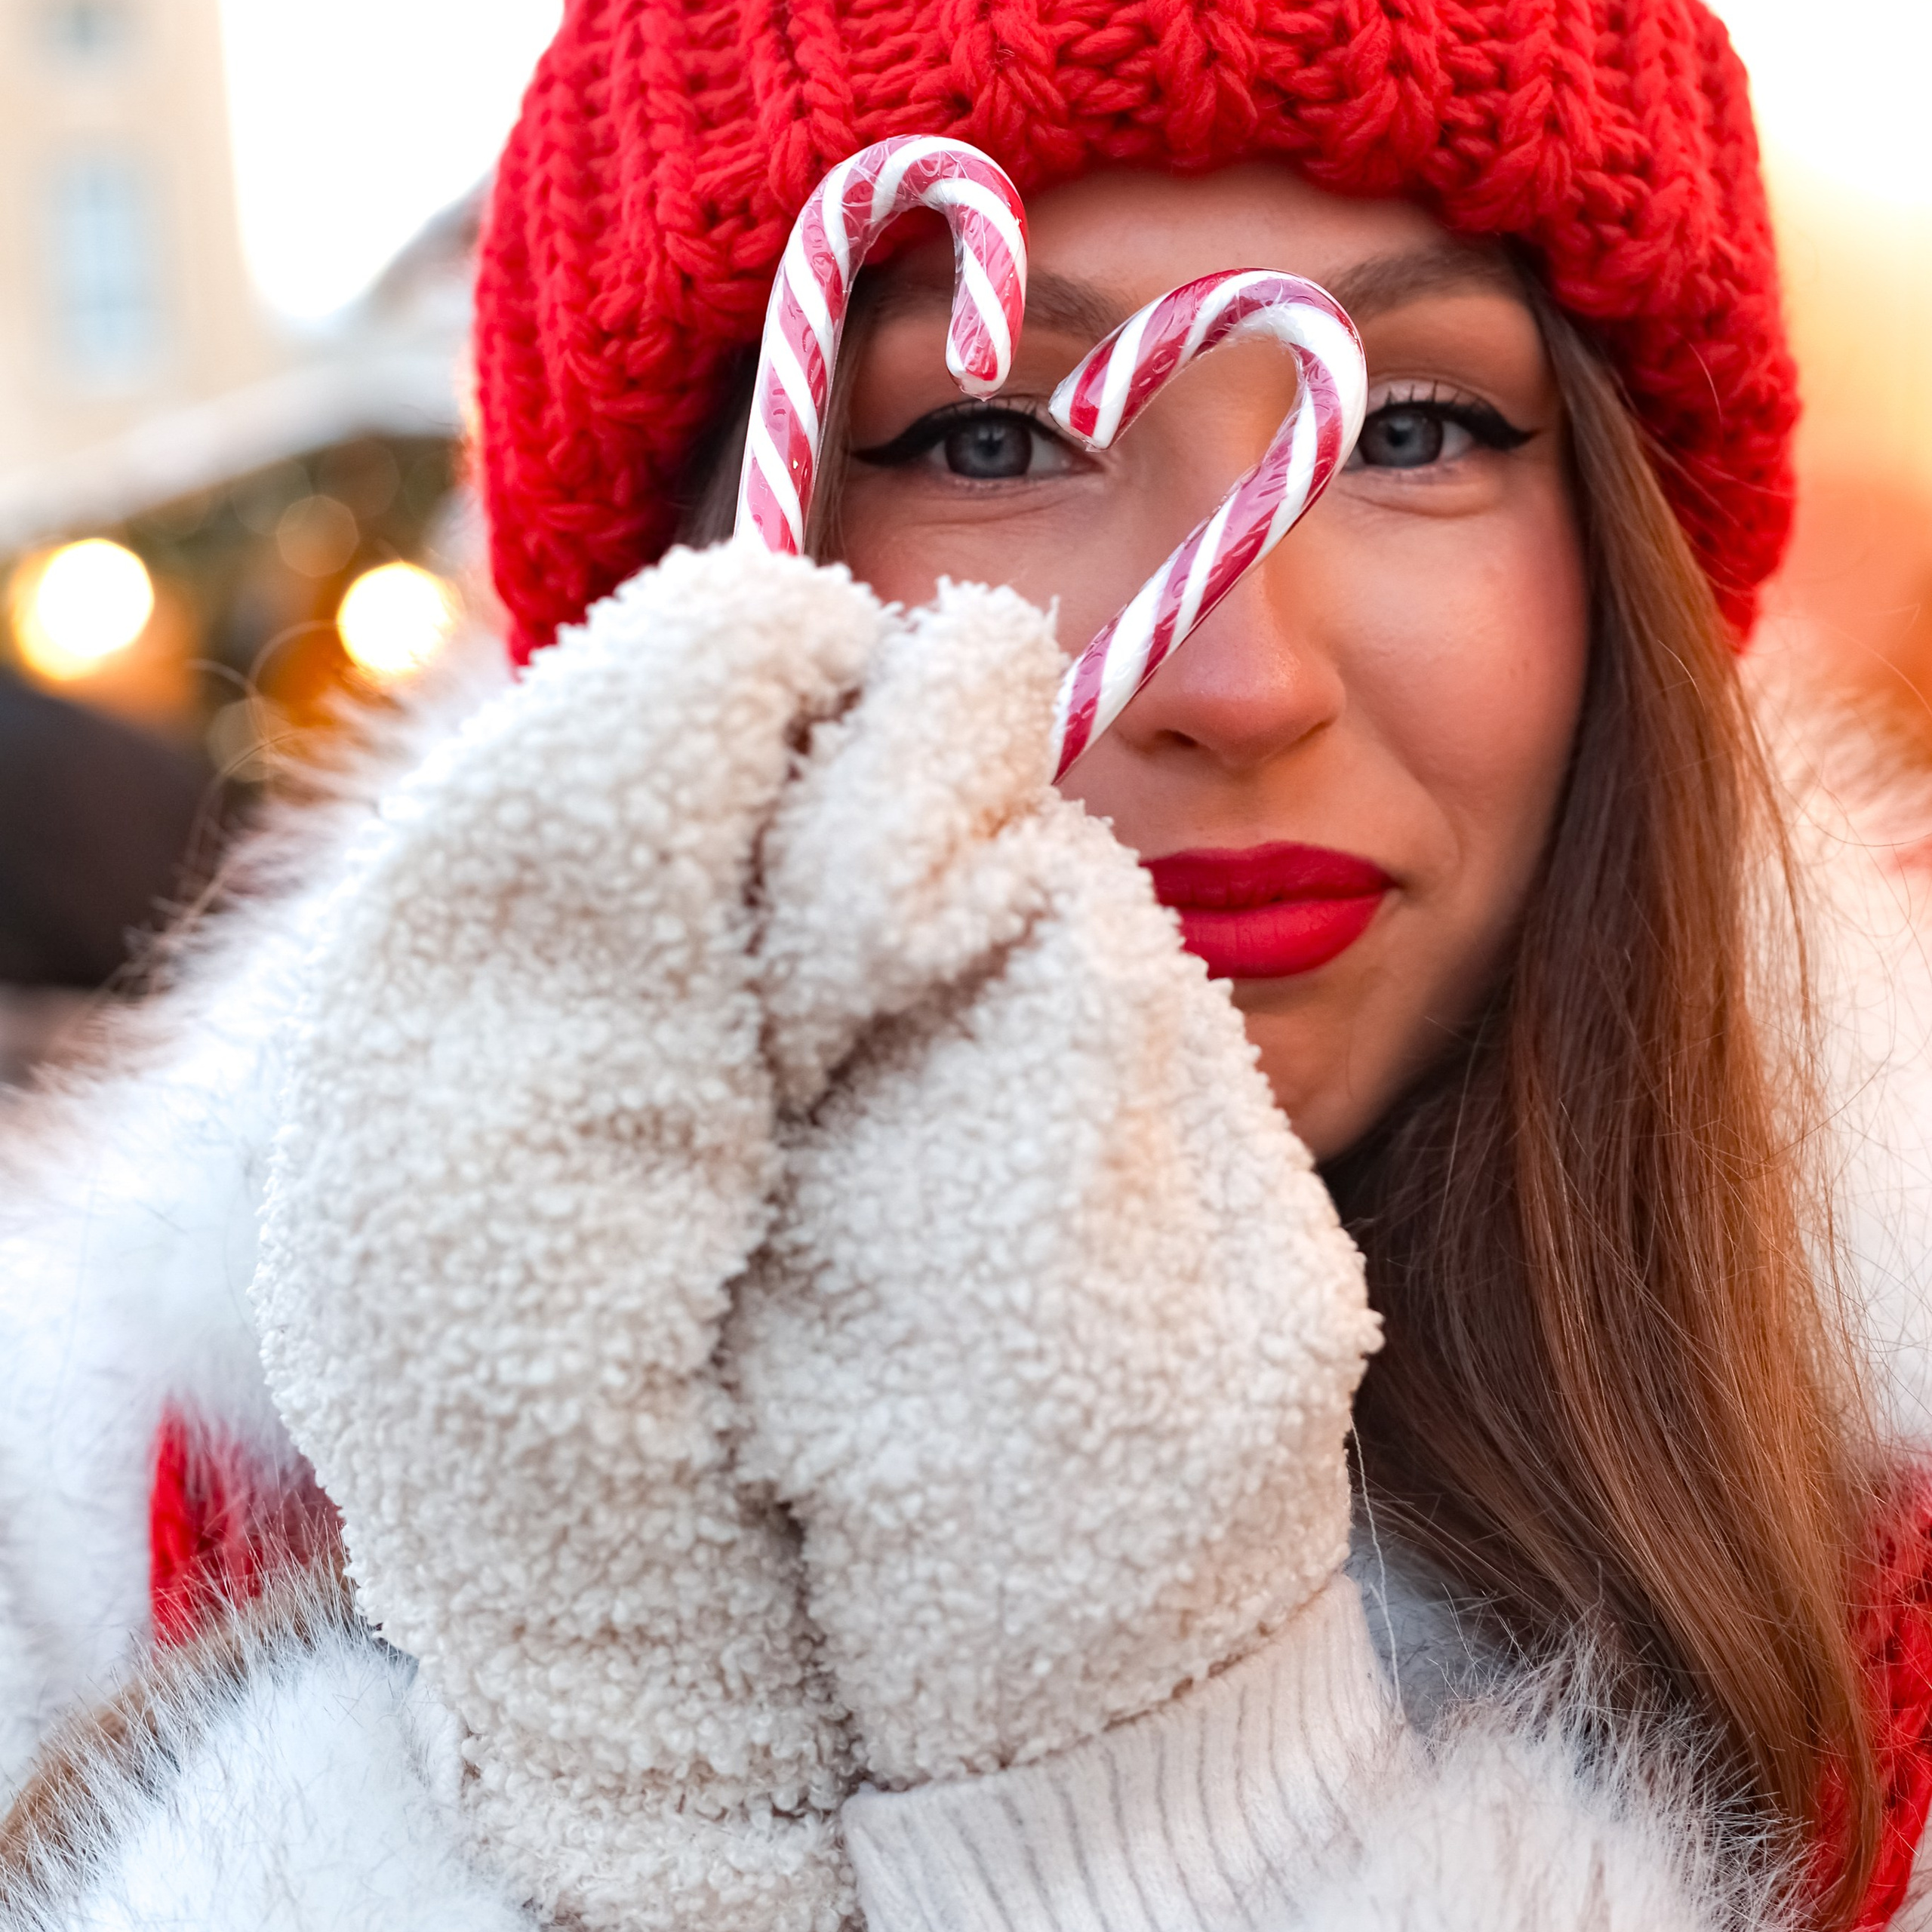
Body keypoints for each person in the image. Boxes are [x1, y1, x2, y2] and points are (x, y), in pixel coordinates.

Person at [3, 2, 1932, 1927]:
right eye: (988, 434)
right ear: (693, 569)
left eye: (1412, 429)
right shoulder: (95, 1530)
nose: (1238, 676)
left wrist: (1157, 1816)